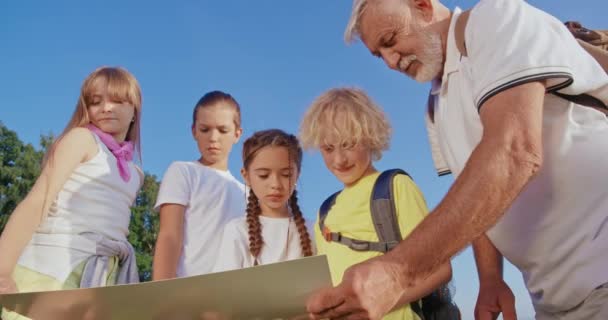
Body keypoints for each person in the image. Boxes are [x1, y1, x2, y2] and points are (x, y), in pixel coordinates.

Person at [306, 0, 608, 319]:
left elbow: (514, 151)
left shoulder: (494, 19)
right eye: (379, 55)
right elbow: (474, 191)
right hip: (552, 297)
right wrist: (490, 279)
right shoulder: (436, 106)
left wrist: (396, 272)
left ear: (422, 6)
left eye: (390, 40)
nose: (391, 61)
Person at [0, 66, 144, 318]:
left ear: (135, 110)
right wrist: (2, 270)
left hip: (99, 278)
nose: (106, 107)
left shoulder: (136, 174)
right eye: (96, 102)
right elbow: (39, 200)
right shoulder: (82, 139)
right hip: (50, 268)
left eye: (117, 100)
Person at [300, 88, 452, 320]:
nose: (339, 159)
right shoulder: (324, 213)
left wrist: (377, 303)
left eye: (348, 144)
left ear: (370, 137)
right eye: (328, 148)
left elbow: (440, 270)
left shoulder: (394, 187)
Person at [152, 91, 246, 279]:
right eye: (205, 129)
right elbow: (169, 235)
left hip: (232, 296)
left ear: (237, 134)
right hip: (187, 291)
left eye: (222, 130)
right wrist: (161, 295)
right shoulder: (183, 172)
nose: (213, 137)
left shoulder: (248, 193)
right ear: (194, 131)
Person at [213, 129, 313, 271]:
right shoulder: (237, 230)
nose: (276, 185)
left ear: (297, 174)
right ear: (246, 176)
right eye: (263, 175)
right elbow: (222, 288)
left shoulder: (313, 230)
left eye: (286, 174)